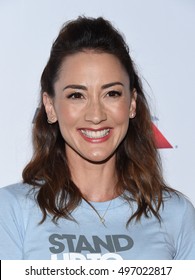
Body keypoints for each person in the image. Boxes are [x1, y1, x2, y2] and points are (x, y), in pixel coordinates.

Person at [0, 16, 195, 260]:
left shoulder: (175, 214)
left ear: (132, 103)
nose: (96, 115)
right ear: (50, 106)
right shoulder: (11, 210)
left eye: (111, 93)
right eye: (76, 96)